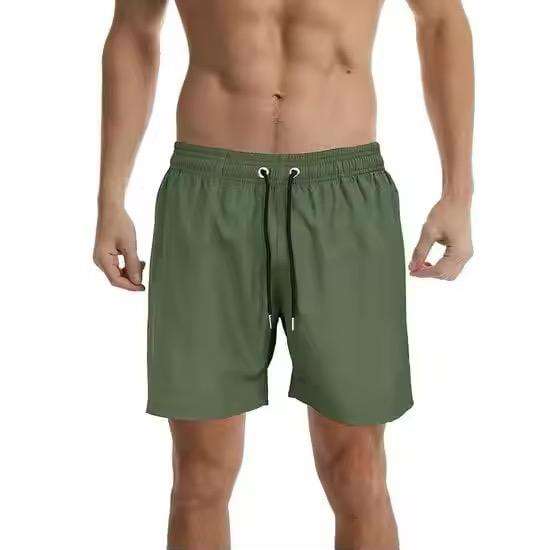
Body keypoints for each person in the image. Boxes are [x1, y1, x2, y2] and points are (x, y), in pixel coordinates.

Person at [93, 0, 474, 548]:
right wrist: (110, 198)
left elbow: (441, 21)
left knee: (358, 469)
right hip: (208, 193)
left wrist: (458, 193)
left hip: (344, 195)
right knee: (199, 474)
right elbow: (133, 30)